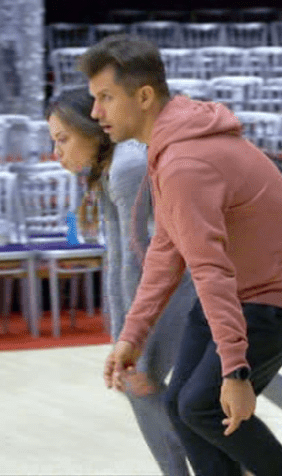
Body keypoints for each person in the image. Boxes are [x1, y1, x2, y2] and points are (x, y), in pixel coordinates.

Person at [83, 34, 282, 476]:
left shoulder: (185, 162)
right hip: (245, 291)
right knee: (186, 409)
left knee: (202, 405)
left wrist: (236, 373)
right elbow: (165, 253)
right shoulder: (170, 147)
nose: (95, 113)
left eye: (106, 97)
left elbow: (210, 270)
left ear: (144, 96)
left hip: (281, 295)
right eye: (94, 99)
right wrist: (132, 335)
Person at [47, 88, 193, 476]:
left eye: (63, 139)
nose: (56, 152)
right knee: (167, 392)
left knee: (149, 385)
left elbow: (136, 263)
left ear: (92, 131)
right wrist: (120, 339)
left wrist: (135, 349)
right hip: (172, 283)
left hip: (186, 282)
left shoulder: (129, 166)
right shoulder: (110, 167)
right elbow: (116, 263)